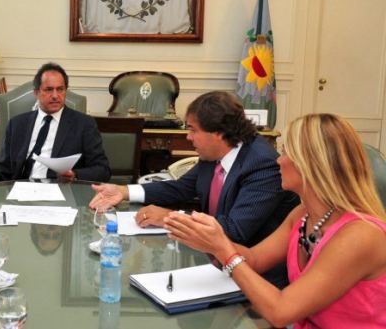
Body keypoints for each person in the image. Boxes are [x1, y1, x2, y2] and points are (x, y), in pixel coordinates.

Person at [164, 113, 386, 328]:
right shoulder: (303, 214)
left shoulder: (360, 235)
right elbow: (254, 259)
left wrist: (223, 249)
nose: (278, 160)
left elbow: (281, 311)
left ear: (311, 164)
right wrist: (208, 239)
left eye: (286, 152)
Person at [89, 91, 298, 286]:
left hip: (256, 277)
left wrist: (170, 218)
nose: (188, 137)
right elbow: (182, 187)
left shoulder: (262, 164)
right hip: (215, 262)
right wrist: (124, 191)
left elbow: (236, 230)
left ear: (219, 133)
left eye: (193, 130)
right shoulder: (214, 153)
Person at [0, 62, 110, 182]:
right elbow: (4, 169)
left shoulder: (84, 124)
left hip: (61, 188)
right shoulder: (16, 124)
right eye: (49, 89)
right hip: (21, 187)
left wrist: (74, 174)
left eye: (60, 89)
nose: (55, 95)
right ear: (36, 93)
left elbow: (102, 170)